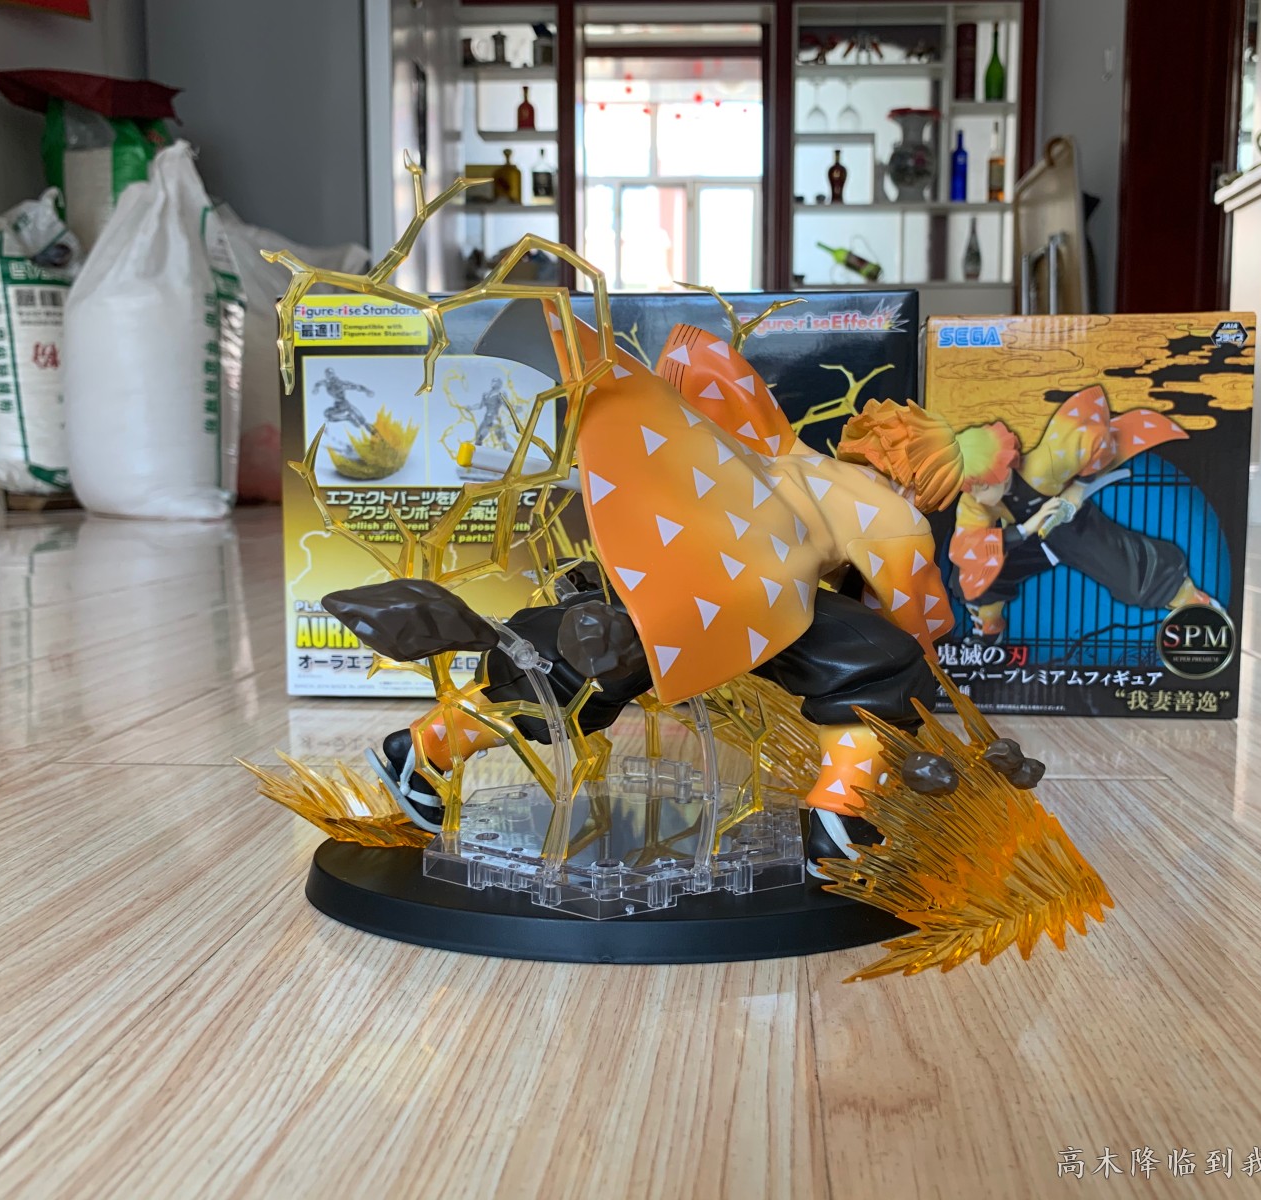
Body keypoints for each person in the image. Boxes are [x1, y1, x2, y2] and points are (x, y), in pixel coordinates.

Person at [333, 302, 1043, 861]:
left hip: (677, 562)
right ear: (930, 481)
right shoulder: (893, 512)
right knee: (883, 664)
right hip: (753, 585)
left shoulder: (784, 451)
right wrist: (926, 688)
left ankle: (423, 750)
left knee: (590, 670)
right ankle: (843, 818)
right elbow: (917, 617)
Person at [838, 388, 1224, 640]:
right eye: (968, 486)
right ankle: (990, 628)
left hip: (1073, 526)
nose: (973, 494)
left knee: (1130, 576)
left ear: (1002, 470)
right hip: (1033, 539)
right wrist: (1026, 528)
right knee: (972, 577)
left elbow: (1096, 443)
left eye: (981, 485)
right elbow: (970, 545)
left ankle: (1193, 602)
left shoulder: (1046, 465)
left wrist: (1075, 491)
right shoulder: (975, 501)